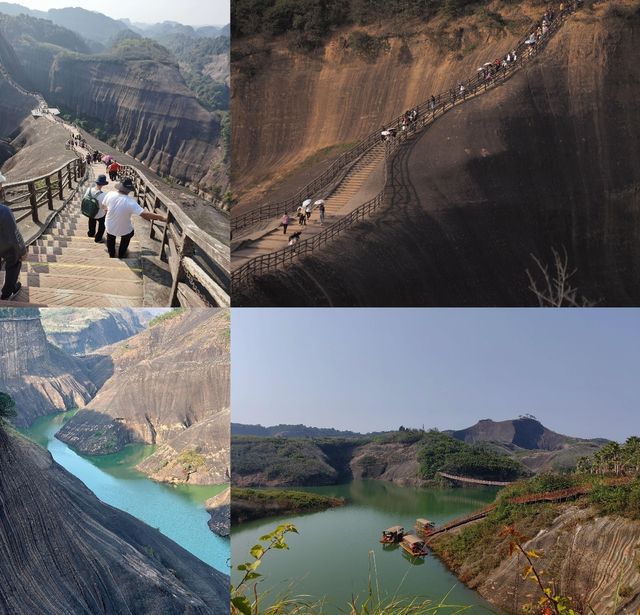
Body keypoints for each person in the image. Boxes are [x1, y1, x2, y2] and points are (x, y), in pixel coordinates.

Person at [102, 177, 167, 259]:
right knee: (129, 234)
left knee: (110, 237)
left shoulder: (110, 194)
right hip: (124, 230)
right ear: (129, 190)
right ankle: (121, 254)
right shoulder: (130, 201)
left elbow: (103, 206)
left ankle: (112, 254)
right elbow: (145, 214)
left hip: (109, 226)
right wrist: (161, 217)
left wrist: (107, 212)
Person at [0, 173, 27, 300]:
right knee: (14, 259)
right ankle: (8, 291)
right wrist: (22, 251)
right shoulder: (4, 211)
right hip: (3, 245)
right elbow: (14, 235)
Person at [86, 174, 109, 243]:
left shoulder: (89, 190)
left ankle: (91, 233)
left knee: (91, 221)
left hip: (91, 212)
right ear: (103, 184)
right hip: (100, 214)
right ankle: (98, 238)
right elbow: (104, 207)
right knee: (102, 224)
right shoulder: (104, 195)